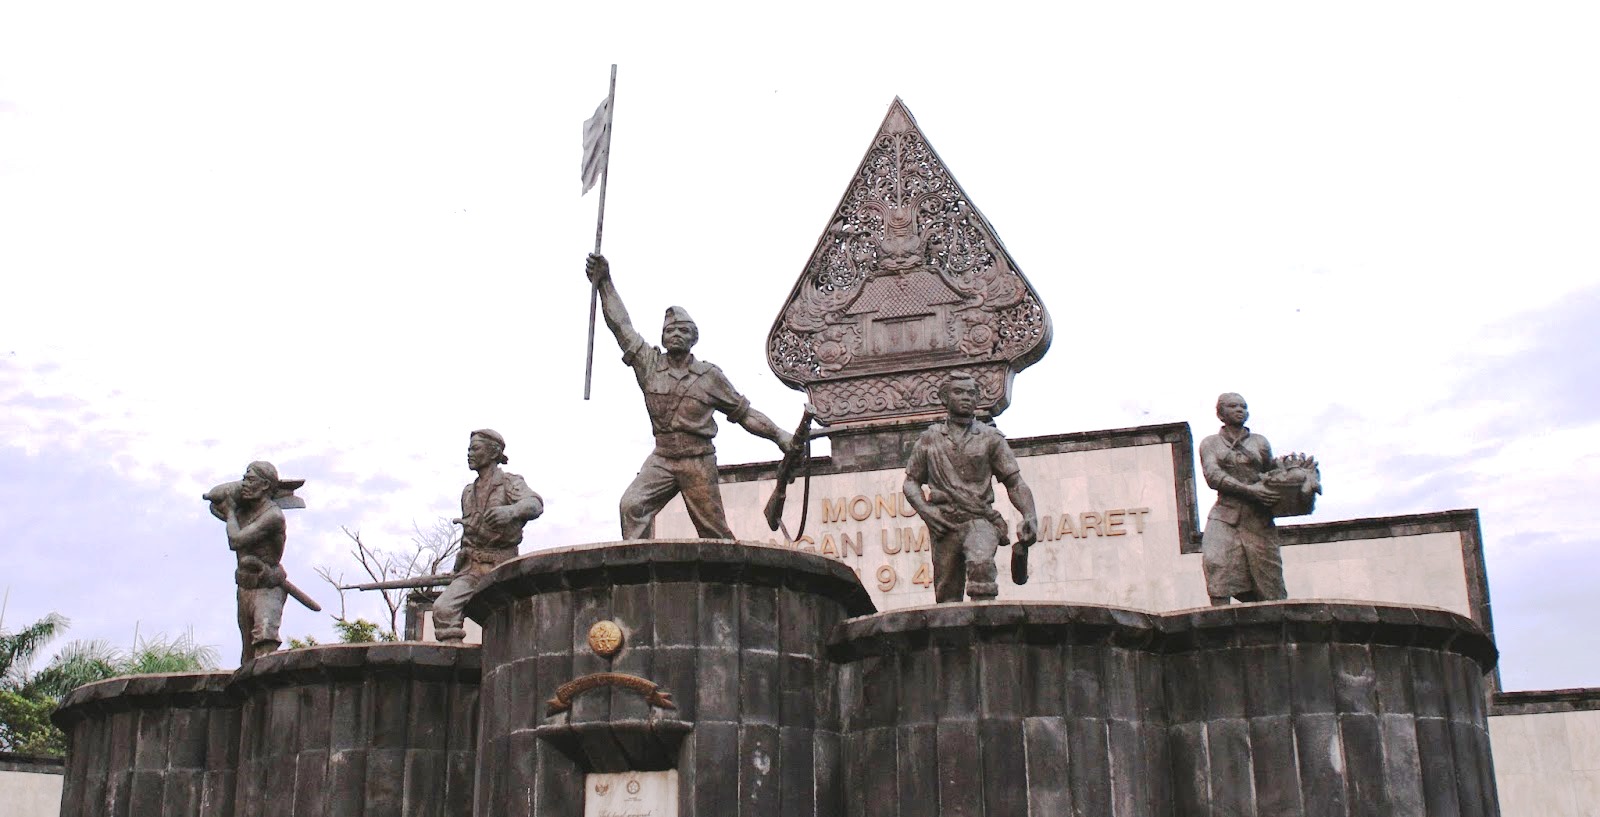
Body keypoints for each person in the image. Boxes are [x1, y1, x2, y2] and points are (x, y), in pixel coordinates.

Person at [585, 254, 793, 539]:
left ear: (693, 338)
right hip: (662, 457)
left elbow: (745, 414)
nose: (675, 335)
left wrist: (779, 435)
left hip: (697, 460)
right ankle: (641, 572)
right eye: (669, 330)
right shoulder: (649, 365)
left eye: (682, 330)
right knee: (632, 506)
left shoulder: (710, 376)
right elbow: (621, 326)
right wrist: (604, 283)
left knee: (713, 532)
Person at [902, 375, 1039, 602]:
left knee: (981, 565)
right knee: (947, 592)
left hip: (980, 520)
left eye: (971, 393)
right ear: (944, 398)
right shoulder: (930, 439)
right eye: (958, 392)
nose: (966, 397)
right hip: (944, 523)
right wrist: (927, 512)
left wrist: (1029, 515)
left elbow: (1014, 482)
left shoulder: (990, 438)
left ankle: (987, 632)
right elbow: (910, 482)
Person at [432, 429, 544, 642]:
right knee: (443, 609)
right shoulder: (467, 492)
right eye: (468, 449)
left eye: (475, 449)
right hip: (472, 569)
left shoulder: (510, 482)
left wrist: (511, 511)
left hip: (502, 567)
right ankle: (453, 656)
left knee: (511, 620)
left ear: (493, 453)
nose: (469, 454)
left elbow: (535, 504)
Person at [205, 461, 299, 665]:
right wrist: (237, 492)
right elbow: (213, 499)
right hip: (245, 587)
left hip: (267, 587)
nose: (244, 484)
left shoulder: (273, 516)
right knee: (248, 653)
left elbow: (236, 540)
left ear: (265, 486)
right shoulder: (244, 512)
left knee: (264, 640)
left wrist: (230, 512)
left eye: (250, 480)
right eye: (243, 479)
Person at [1199, 392, 1285, 604]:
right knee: (1215, 561)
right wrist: (1249, 490)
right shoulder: (1210, 443)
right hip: (1225, 514)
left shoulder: (1260, 443)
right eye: (1233, 406)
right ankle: (1220, 624)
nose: (1240, 410)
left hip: (1257, 519)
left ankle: (1269, 624)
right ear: (1220, 414)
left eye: (1243, 406)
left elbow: (1271, 475)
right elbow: (1213, 476)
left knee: (1268, 581)